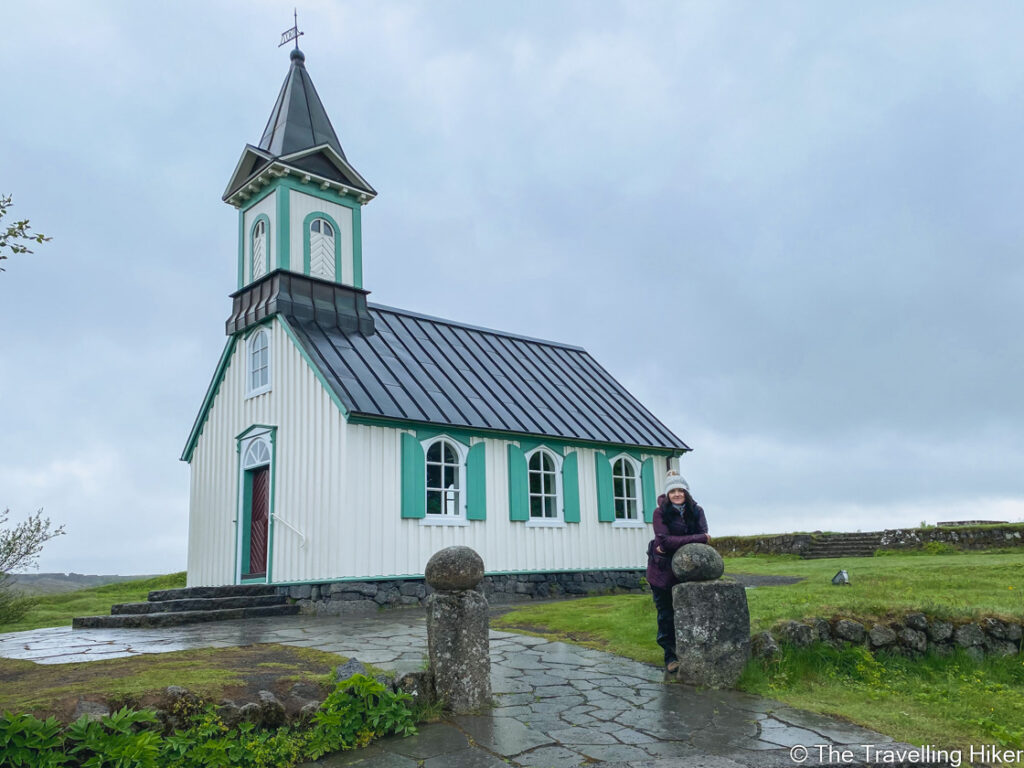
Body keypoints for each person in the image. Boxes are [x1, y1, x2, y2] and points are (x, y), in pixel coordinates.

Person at [646, 470, 710, 672]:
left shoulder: (696, 510)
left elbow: (700, 532)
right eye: (672, 491)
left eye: (680, 490)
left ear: (686, 491)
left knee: (690, 612)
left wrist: (673, 543)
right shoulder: (660, 513)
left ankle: (692, 652)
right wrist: (697, 539)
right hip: (662, 572)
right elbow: (664, 540)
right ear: (667, 494)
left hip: (688, 570)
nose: (676, 494)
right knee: (666, 614)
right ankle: (670, 657)